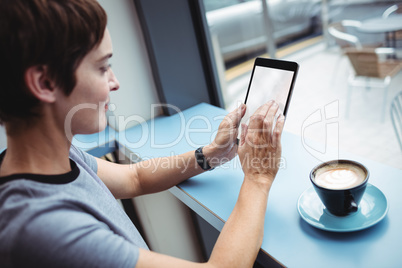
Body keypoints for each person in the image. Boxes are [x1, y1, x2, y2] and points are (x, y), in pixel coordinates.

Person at [0, 0, 285, 267]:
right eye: (102, 68)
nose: (115, 82)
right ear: (45, 82)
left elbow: (133, 178)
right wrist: (258, 179)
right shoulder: (44, 229)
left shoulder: (48, 158)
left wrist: (210, 154)